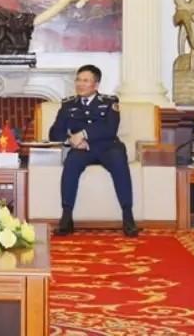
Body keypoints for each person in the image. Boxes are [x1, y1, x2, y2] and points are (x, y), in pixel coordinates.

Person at [50, 64, 140, 237]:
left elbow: (110, 129)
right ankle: (66, 217)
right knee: (71, 162)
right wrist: (71, 141)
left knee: (119, 161)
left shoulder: (109, 102)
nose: (80, 84)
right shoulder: (68, 105)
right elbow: (55, 133)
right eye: (78, 80)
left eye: (85, 80)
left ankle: (128, 216)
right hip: (82, 150)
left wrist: (83, 134)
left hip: (108, 148)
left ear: (96, 85)